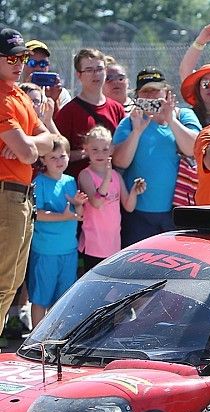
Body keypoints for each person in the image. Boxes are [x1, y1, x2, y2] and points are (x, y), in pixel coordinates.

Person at [0, 27, 54, 348]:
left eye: (22, 57)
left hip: (21, 196)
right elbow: (32, 151)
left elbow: (48, 141)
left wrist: (29, 143)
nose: (19, 62)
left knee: (11, 282)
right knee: (4, 281)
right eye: (11, 57)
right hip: (6, 193)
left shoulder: (19, 94)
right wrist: (31, 145)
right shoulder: (3, 97)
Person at [112, 68, 201, 246]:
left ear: (166, 92)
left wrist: (171, 120)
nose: (151, 96)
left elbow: (193, 149)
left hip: (177, 211)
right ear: (137, 96)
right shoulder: (130, 122)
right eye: (146, 91)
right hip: (138, 214)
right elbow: (119, 162)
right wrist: (137, 131)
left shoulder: (183, 116)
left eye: (156, 90)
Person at [29, 135, 87, 326]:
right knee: (40, 299)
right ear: (43, 159)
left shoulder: (70, 181)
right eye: (53, 157)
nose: (58, 161)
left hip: (68, 250)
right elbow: (37, 214)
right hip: (45, 252)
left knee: (63, 300)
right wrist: (65, 216)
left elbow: (78, 214)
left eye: (62, 156)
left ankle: (54, 339)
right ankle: (36, 341)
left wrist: (78, 205)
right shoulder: (40, 182)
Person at [78, 126, 145, 270]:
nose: (100, 153)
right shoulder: (85, 175)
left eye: (105, 149)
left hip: (113, 245)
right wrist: (108, 176)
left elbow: (128, 206)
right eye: (95, 149)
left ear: (111, 150)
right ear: (86, 149)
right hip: (93, 245)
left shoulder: (116, 175)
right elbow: (96, 202)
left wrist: (134, 191)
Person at [55, 48, 126, 178]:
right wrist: (89, 152)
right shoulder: (68, 112)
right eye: (89, 70)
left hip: (111, 188)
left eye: (99, 69)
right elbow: (56, 154)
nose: (95, 74)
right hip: (79, 189)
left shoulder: (117, 109)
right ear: (79, 75)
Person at [21, 39, 71, 110]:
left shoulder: (60, 94)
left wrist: (53, 101)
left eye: (43, 63)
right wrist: (26, 91)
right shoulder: (14, 91)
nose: (38, 68)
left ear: (48, 66)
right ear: (22, 64)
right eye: (32, 63)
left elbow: (64, 120)